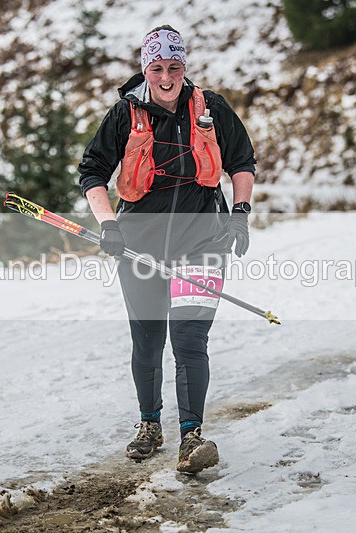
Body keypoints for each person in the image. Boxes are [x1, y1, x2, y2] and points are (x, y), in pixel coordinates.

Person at [78, 25, 256, 474]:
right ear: (145, 69)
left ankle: (192, 437)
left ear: (184, 67)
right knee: (148, 339)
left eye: (174, 67)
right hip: (139, 243)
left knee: (189, 338)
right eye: (156, 68)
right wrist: (109, 225)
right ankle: (149, 424)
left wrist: (240, 212)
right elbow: (92, 172)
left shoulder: (210, 109)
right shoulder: (125, 114)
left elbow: (242, 162)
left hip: (203, 240)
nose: (165, 77)